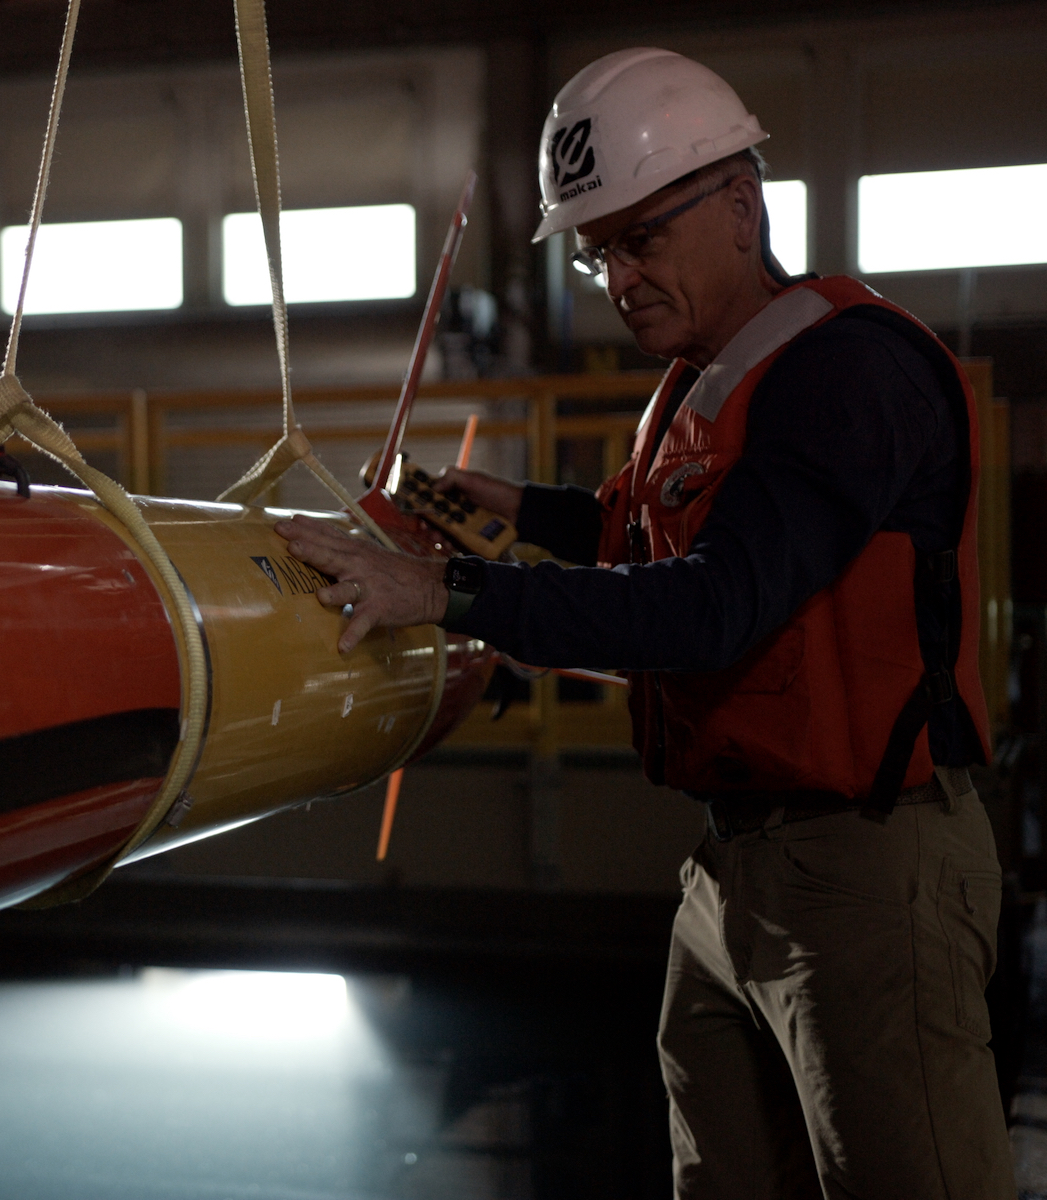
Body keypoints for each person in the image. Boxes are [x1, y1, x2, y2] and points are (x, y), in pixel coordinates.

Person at [277, 47, 1012, 1200]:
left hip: (869, 867)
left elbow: (715, 602)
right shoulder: (705, 387)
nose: (617, 278)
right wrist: (523, 512)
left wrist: (447, 593)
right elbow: (663, 546)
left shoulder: (847, 375)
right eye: (596, 251)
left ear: (739, 200)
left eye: (641, 238)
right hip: (737, 868)